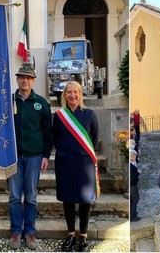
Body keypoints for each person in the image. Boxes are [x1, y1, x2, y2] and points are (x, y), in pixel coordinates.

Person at [8, 63, 52, 250]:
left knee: (31, 196)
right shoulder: (8, 101)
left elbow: (47, 132)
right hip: (13, 157)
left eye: (28, 77)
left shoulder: (41, 103)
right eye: (21, 77)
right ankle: (17, 232)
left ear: (33, 80)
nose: (24, 80)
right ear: (17, 79)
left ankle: (30, 233)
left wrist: (46, 155)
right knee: (14, 196)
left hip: (34, 156)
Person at [53, 81, 99, 252]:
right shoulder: (59, 116)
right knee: (68, 199)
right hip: (65, 163)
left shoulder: (89, 114)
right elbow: (56, 139)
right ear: (65, 95)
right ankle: (71, 234)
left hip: (84, 163)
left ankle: (83, 236)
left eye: (76, 92)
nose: (72, 95)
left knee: (85, 200)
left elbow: (94, 139)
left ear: (80, 94)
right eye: (69, 92)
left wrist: (83, 154)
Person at [130, 149, 141, 222]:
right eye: (135, 156)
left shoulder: (132, 162)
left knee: (133, 199)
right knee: (135, 198)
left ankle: (133, 212)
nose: (136, 158)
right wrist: (138, 172)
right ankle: (132, 215)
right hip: (133, 184)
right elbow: (133, 176)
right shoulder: (131, 165)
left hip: (133, 184)